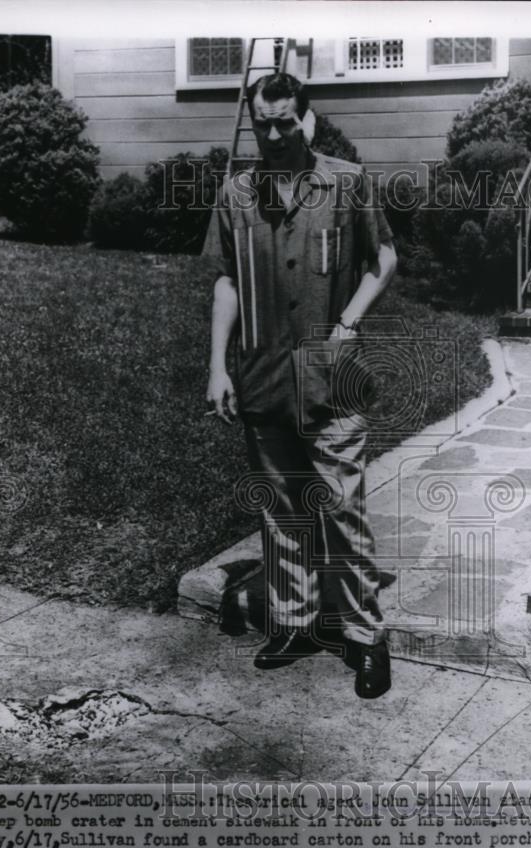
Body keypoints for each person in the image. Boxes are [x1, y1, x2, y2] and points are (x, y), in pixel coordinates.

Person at [202, 72, 398, 699]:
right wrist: (217, 365)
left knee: (340, 509)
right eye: (265, 123)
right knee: (282, 510)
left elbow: (383, 259)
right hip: (262, 377)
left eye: (286, 121)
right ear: (253, 122)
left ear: (305, 120)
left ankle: (367, 637)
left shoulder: (344, 182)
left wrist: (347, 322)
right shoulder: (237, 195)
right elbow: (227, 282)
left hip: (331, 376)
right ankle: (295, 624)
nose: (276, 133)